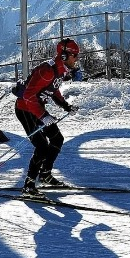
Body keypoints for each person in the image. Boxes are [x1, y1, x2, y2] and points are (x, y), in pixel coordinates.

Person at [15, 38, 83, 197]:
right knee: (41, 146)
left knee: (57, 139)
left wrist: (66, 106)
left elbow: (54, 90)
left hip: (37, 109)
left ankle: (45, 175)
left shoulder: (60, 70)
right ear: (65, 56)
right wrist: (43, 116)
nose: (77, 58)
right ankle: (28, 186)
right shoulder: (47, 71)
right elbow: (28, 95)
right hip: (25, 109)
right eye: (75, 55)